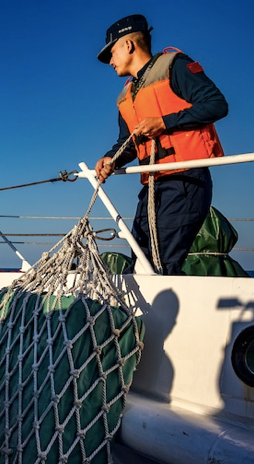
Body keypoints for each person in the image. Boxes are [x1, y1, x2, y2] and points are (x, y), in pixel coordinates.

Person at [94, 14, 227, 275]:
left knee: (162, 263)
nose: (110, 61)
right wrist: (111, 159)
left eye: (112, 52)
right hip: (152, 187)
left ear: (128, 45)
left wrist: (165, 122)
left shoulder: (175, 67)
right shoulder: (126, 95)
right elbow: (127, 143)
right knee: (142, 260)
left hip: (185, 180)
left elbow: (216, 105)